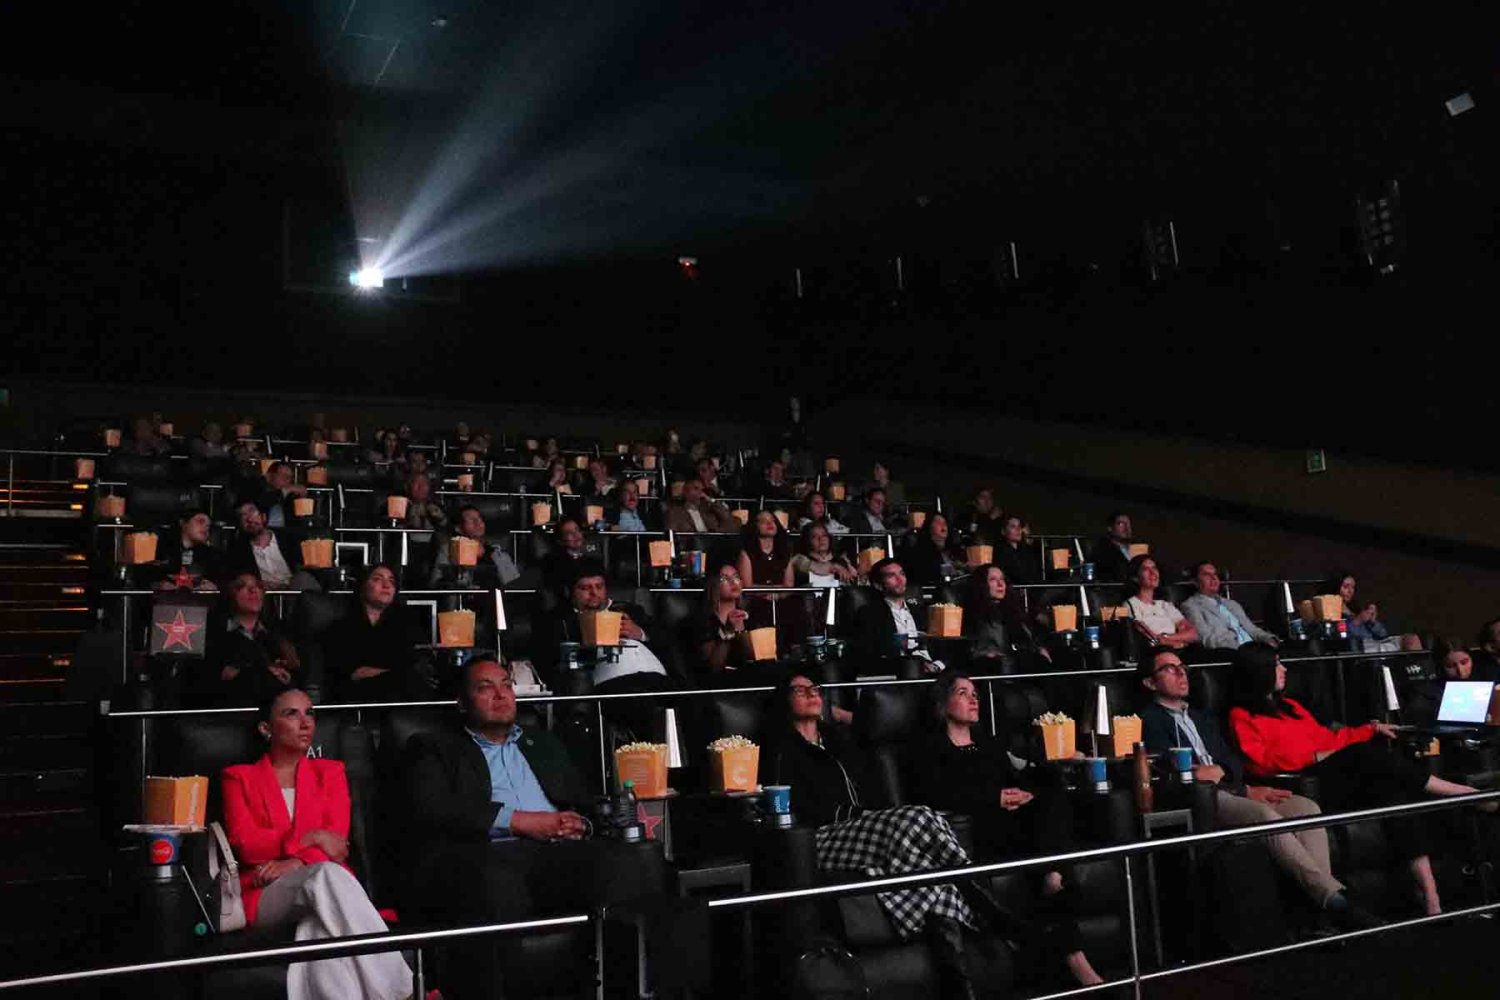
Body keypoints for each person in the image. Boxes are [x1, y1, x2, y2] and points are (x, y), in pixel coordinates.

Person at [401, 658, 657, 1000]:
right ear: (462, 702)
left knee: (625, 863)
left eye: (506, 685)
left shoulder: (542, 743)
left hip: (554, 852)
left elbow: (583, 801)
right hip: (483, 855)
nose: (500, 695)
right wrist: (521, 821)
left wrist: (581, 824)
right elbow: (434, 808)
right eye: (485, 687)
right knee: (495, 880)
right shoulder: (434, 746)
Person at [760, 673, 984, 999]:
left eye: (815, 688)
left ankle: (959, 989)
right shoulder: (782, 751)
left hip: (866, 834)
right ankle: (976, 888)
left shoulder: (841, 743)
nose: (811, 693)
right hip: (821, 840)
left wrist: (871, 816)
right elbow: (793, 808)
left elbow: (874, 794)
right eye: (800, 690)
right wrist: (858, 816)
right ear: (785, 700)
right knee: (919, 815)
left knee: (932, 880)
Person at [1228, 642, 1491, 915]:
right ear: (1259, 671)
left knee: (1392, 791)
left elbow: (1330, 738)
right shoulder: (1241, 716)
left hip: (1338, 772)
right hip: (1305, 783)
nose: (1284, 669)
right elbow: (1261, 763)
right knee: (1364, 755)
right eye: (1276, 664)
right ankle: (1461, 793)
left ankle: (1429, 892)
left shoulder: (1291, 706)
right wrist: (1315, 756)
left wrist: (1370, 729)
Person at [1138, 648, 1381, 930]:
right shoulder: (1149, 721)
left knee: (1306, 808)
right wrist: (1225, 780)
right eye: (1169, 668)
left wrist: (1230, 778)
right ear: (1150, 683)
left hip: (1235, 788)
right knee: (1265, 816)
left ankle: (1320, 914)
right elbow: (1171, 768)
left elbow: (1232, 761)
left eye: (1182, 666)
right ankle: (1336, 901)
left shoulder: (1203, 716)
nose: (1181, 673)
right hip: (1206, 798)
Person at [911, 673, 1104, 986]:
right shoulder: (930, 748)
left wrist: (1024, 792)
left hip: (1017, 823)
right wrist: (994, 798)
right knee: (1044, 841)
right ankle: (1057, 890)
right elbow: (933, 794)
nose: (974, 699)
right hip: (980, 830)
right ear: (943, 704)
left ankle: (1053, 878)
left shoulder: (988, 744)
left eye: (975, 693)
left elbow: (1014, 779)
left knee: (1052, 799)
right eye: (963, 693)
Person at [222, 687, 411, 1000]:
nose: (306, 722)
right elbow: (247, 846)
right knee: (325, 874)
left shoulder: (331, 772)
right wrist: (311, 838)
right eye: (291, 714)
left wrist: (296, 862)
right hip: (264, 889)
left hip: (321, 886)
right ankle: (403, 990)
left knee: (319, 926)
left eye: (309, 712)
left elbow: (337, 845)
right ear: (266, 728)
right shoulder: (238, 778)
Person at [531, 559, 673, 693]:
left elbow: (667, 642)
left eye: (599, 586)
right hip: (615, 684)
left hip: (658, 678)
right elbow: (548, 662)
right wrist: (586, 645)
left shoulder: (631, 610)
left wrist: (641, 634)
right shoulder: (558, 620)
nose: (594, 593)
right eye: (585, 588)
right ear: (570, 592)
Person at [322, 564, 427, 703]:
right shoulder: (341, 627)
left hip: (402, 695)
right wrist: (395, 672)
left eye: (391, 581)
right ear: (363, 586)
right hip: (358, 696)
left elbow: (416, 666)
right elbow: (354, 674)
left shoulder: (407, 624)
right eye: (378, 579)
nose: (386, 585)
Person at [197, 571, 300, 707]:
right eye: (241, 586)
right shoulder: (213, 631)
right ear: (230, 594)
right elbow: (214, 679)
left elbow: (294, 675)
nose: (253, 590)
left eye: (258, 586)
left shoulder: (279, 632)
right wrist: (264, 670)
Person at [849, 558, 944, 672]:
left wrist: (937, 666)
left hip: (934, 670)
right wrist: (915, 664)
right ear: (878, 585)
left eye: (902, 574)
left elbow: (941, 648)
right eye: (891, 576)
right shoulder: (869, 614)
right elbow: (868, 655)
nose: (900, 580)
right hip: (899, 671)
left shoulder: (921, 611)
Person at [962, 564, 1049, 667]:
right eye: (993, 579)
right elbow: (973, 649)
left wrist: (1039, 649)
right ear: (982, 585)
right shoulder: (975, 615)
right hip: (994, 667)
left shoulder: (1014, 611)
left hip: (1021, 664)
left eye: (1002, 579)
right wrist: (986, 655)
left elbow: (1028, 641)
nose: (1000, 584)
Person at [1180, 561, 1278, 650]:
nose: (1213, 578)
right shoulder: (1191, 606)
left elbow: (1251, 629)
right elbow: (1205, 638)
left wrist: (1268, 639)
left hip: (1254, 648)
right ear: (1195, 582)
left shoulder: (1232, 604)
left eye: (1215, 574)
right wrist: (1241, 648)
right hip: (1230, 650)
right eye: (1206, 575)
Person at [226, 500, 319, 592]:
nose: (249, 519)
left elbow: (307, 567)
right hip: (264, 594)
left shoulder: (290, 538)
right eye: (242, 515)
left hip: (297, 589)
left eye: (252, 511)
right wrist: (258, 583)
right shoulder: (238, 552)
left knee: (303, 578)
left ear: (263, 516)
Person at [430, 505, 522, 589]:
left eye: (480, 519)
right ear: (458, 528)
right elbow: (436, 583)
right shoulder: (448, 551)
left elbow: (514, 585)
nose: (478, 523)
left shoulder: (498, 554)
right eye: (471, 520)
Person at [1124, 555, 1199, 651]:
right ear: (1135, 578)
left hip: (1179, 650)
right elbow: (1149, 637)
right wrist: (1179, 641)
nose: (1153, 573)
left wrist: (1166, 637)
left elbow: (1193, 634)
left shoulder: (1165, 605)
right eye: (1145, 569)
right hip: (1155, 652)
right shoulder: (1131, 604)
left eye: (1154, 568)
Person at [737, 510, 794, 629]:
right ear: (755, 526)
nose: (770, 523)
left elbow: (789, 585)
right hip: (755, 601)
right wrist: (771, 591)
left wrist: (777, 594)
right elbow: (747, 586)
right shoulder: (747, 553)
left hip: (780, 600)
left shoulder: (784, 552)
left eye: (773, 520)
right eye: (763, 521)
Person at [694, 562, 751, 676]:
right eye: (724, 579)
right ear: (714, 586)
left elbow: (753, 657)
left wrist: (743, 633)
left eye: (736, 577)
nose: (733, 582)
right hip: (722, 681)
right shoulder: (704, 620)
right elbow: (713, 667)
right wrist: (728, 631)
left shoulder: (749, 615)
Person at [150, 508, 225, 591]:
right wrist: (157, 585)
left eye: (208, 526)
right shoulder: (159, 550)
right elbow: (145, 577)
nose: (206, 527)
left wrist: (214, 587)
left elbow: (223, 582)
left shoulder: (214, 556)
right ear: (183, 523)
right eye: (200, 521)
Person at [904, 512, 968, 587]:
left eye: (945, 523)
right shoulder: (921, 553)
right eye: (938, 522)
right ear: (929, 527)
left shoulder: (954, 550)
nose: (943, 525)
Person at [791, 522, 857, 588]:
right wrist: (834, 567)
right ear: (808, 541)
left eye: (824, 535)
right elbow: (816, 568)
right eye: (814, 536)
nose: (821, 539)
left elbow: (854, 579)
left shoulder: (841, 560)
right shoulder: (799, 559)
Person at [538, 516, 590, 597]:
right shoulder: (553, 563)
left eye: (577, 530)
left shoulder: (592, 561)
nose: (576, 535)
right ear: (560, 541)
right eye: (568, 533)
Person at [664, 478, 737, 534]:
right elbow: (671, 535)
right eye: (696, 488)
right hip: (691, 546)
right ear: (685, 491)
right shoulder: (674, 512)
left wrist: (710, 500)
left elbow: (727, 518)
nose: (700, 492)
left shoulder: (708, 509)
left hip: (714, 543)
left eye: (701, 490)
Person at [257, 462, 309, 529]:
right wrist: (286, 490)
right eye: (283, 475)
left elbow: (297, 522)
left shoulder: (288, 496)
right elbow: (262, 502)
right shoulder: (257, 487)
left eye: (290, 477)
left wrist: (302, 502)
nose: (287, 479)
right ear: (269, 476)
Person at [1087, 511, 1134, 583]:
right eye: (1121, 524)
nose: (1127, 528)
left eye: (1128, 524)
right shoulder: (1102, 551)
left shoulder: (1135, 549)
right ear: (1110, 528)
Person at [993, 514, 1040, 586]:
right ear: (1003, 531)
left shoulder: (1026, 550)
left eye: (1019, 526)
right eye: (1013, 526)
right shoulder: (1000, 551)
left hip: (1031, 586)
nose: (1018, 530)